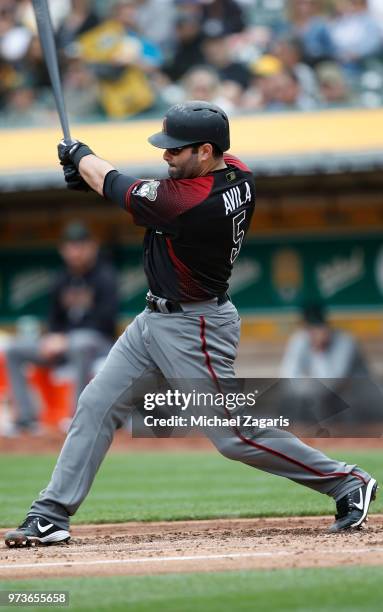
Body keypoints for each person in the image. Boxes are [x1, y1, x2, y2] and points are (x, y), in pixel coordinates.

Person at [4, 100, 377, 548]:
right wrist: (91, 175)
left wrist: (80, 156)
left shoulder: (193, 202)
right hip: (153, 322)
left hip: (194, 325)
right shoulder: (237, 172)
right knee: (96, 404)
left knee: (233, 435)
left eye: (175, 150)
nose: (166, 156)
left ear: (205, 151)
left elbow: (118, 185)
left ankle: (346, 481)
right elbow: (124, 188)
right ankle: (51, 514)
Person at [4, 222, 118, 433]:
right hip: (65, 344)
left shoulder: (105, 275)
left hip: (98, 344)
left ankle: (78, 417)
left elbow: (105, 320)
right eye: (71, 246)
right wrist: (52, 337)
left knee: (80, 343)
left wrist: (64, 339)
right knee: (13, 350)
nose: (75, 252)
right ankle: (26, 418)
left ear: (92, 247)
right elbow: (54, 319)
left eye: (80, 246)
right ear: (63, 249)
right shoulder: (62, 277)